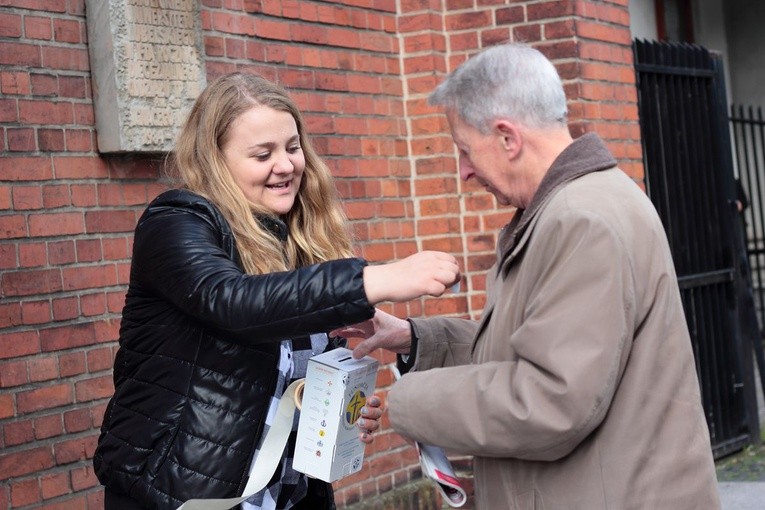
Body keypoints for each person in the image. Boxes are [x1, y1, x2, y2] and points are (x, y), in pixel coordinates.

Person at [335, 43, 721, 509]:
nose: (464, 172)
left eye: (464, 150)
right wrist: (414, 338)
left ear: (507, 137)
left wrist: (411, 401)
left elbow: (551, 400)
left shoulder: (581, 221)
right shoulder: (579, 207)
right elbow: (536, 351)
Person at [93, 72, 460, 510]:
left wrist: (338, 413)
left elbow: (281, 388)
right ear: (215, 161)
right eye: (262, 154)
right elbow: (236, 302)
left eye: (292, 147)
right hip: (183, 495)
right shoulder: (177, 222)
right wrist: (372, 280)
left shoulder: (302, 238)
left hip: (287, 495)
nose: (285, 165)